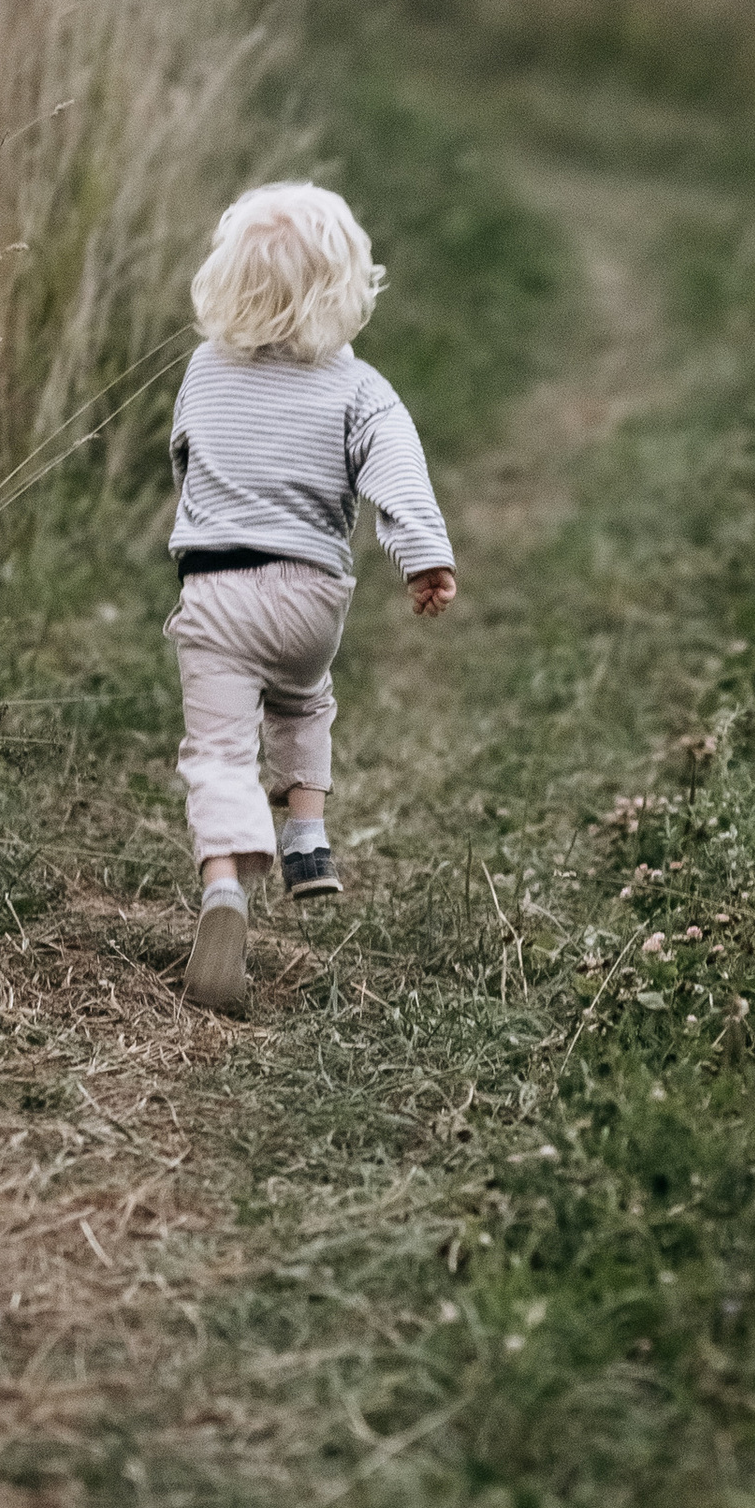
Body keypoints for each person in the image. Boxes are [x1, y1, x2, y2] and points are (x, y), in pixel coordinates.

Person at [163, 180, 456, 1018]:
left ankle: (226, 887)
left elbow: (184, 459)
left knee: (216, 753)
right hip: (309, 596)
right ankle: (306, 836)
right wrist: (421, 558)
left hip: (215, 585)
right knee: (304, 697)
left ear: (228, 280)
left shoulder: (202, 368)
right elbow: (396, 476)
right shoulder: (358, 387)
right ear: (347, 287)